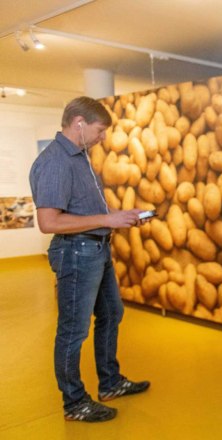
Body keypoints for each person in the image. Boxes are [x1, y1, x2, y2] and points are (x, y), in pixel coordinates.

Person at [29, 96, 151, 423]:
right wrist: (106, 221)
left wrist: (121, 217)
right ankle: (74, 402)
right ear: (79, 123)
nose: (103, 138)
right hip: (75, 254)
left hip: (97, 250)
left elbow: (90, 211)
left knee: (112, 312)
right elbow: (49, 222)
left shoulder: (82, 158)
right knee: (73, 331)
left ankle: (110, 383)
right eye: (100, 130)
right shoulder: (55, 162)